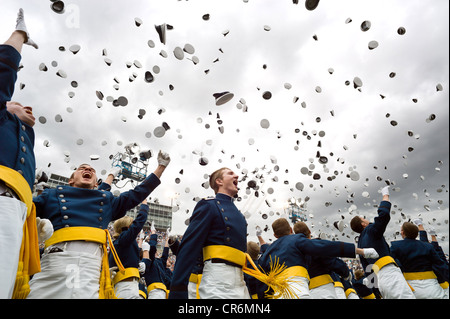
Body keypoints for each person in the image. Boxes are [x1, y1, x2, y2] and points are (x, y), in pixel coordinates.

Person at [27, 151, 170, 299]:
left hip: (90, 268)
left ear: (96, 184)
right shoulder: (52, 194)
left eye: (92, 170)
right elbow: (25, 210)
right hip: (54, 262)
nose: (88, 170)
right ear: (71, 180)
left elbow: (137, 193)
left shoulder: (106, 200)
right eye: (82, 168)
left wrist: (160, 167)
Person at [0, 8, 53, 299]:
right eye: (21, 104)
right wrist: (20, 35)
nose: (29, 108)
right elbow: (3, 69)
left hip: (16, 213)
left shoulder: (25, 140)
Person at [169, 167, 250, 299]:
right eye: (230, 173)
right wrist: (178, 289)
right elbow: (188, 248)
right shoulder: (209, 205)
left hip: (241, 283)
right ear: (219, 181)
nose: (236, 176)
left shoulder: (240, 216)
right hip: (217, 281)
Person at [257, 218, 378, 299]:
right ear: (290, 230)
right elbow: (326, 247)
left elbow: (260, 277)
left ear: (275, 235)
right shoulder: (296, 240)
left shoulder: (268, 252)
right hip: (302, 292)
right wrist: (361, 251)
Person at [350, 185, 415, 299]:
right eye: (363, 218)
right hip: (389, 274)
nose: (366, 219)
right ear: (363, 224)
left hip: (381, 281)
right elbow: (383, 216)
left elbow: (368, 269)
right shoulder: (370, 230)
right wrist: (385, 196)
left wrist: (376, 291)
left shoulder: (360, 243)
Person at [293, 221, 351, 299]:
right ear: (310, 231)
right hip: (324, 289)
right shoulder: (316, 245)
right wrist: (346, 273)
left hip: (306, 292)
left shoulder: (295, 252)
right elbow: (332, 262)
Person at [390, 222, 447, 299]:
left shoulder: (396, 246)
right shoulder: (428, 246)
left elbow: (392, 265)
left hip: (410, 287)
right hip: (432, 287)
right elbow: (440, 265)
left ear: (402, 232)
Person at [108, 198, 149, 299]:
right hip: (126, 287)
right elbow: (140, 221)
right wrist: (144, 204)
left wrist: (137, 264)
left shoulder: (119, 243)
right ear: (127, 226)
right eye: (132, 224)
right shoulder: (123, 239)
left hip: (126, 286)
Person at [414, 218, 449, 297]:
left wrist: (420, 227)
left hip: (437, 289)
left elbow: (426, 247)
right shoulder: (442, 265)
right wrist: (432, 235)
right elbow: (438, 252)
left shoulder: (435, 264)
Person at [141, 226, 170, 299]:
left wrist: (168, 238)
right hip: (155, 291)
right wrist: (153, 233)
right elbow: (152, 247)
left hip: (164, 291)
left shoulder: (160, 261)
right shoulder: (149, 261)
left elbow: (166, 250)